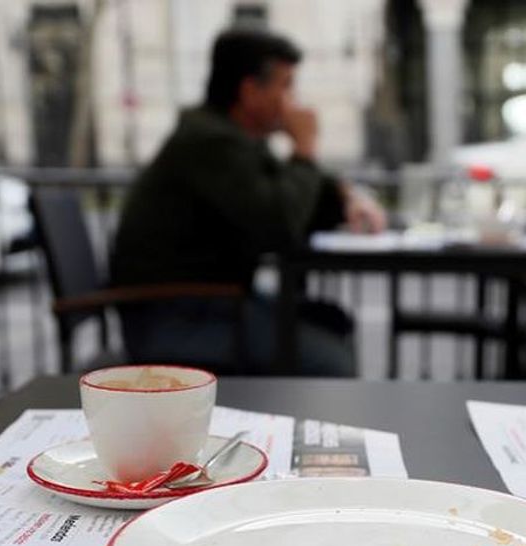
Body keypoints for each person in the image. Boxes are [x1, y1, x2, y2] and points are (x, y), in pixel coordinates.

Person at [110, 27, 384, 376]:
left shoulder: (235, 142)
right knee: (331, 362)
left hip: (213, 303)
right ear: (250, 91)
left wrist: (346, 196)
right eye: (285, 86)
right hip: (178, 315)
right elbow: (280, 223)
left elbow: (296, 201)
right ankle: (291, 431)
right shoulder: (208, 142)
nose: (292, 101)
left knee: (332, 321)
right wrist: (304, 149)